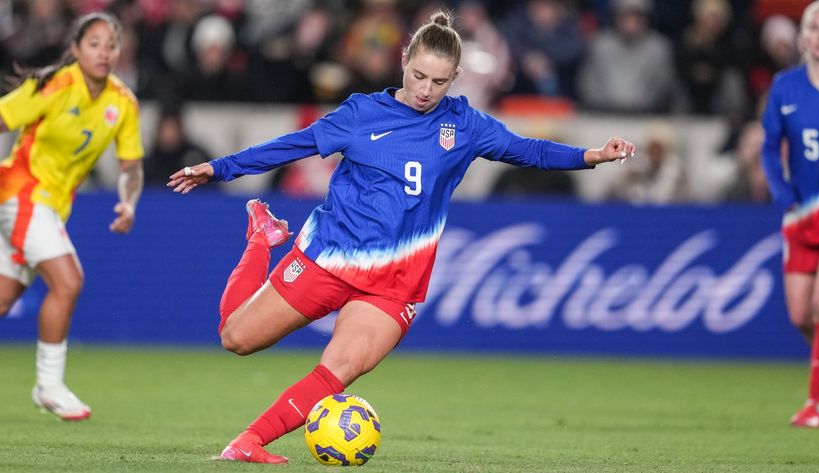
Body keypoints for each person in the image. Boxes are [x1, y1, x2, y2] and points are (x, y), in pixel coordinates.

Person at [168, 10, 634, 464]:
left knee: (341, 368)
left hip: (395, 284)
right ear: (404, 60)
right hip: (327, 256)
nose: (426, 90)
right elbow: (292, 145)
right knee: (236, 337)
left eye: (439, 82)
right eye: (418, 76)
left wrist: (593, 154)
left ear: (455, 79)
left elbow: (529, 150)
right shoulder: (362, 113)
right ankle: (261, 239)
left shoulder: (464, 125)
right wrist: (220, 168)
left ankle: (248, 442)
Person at [0, 12, 144, 421]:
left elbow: (131, 168)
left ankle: (48, 385)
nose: (103, 52)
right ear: (76, 48)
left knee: (4, 298)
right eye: (94, 43)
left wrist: (128, 202)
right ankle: (48, 385)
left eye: (111, 44)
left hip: (49, 207)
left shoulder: (122, 102)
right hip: (21, 193)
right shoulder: (52, 85)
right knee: (69, 280)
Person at [760, 0, 819, 428]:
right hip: (800, 211)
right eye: (816, 28)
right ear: (803, 37)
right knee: (801, 315)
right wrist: (779, 188)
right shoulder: (785, 86)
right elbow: (770, 146)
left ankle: (815, 406)